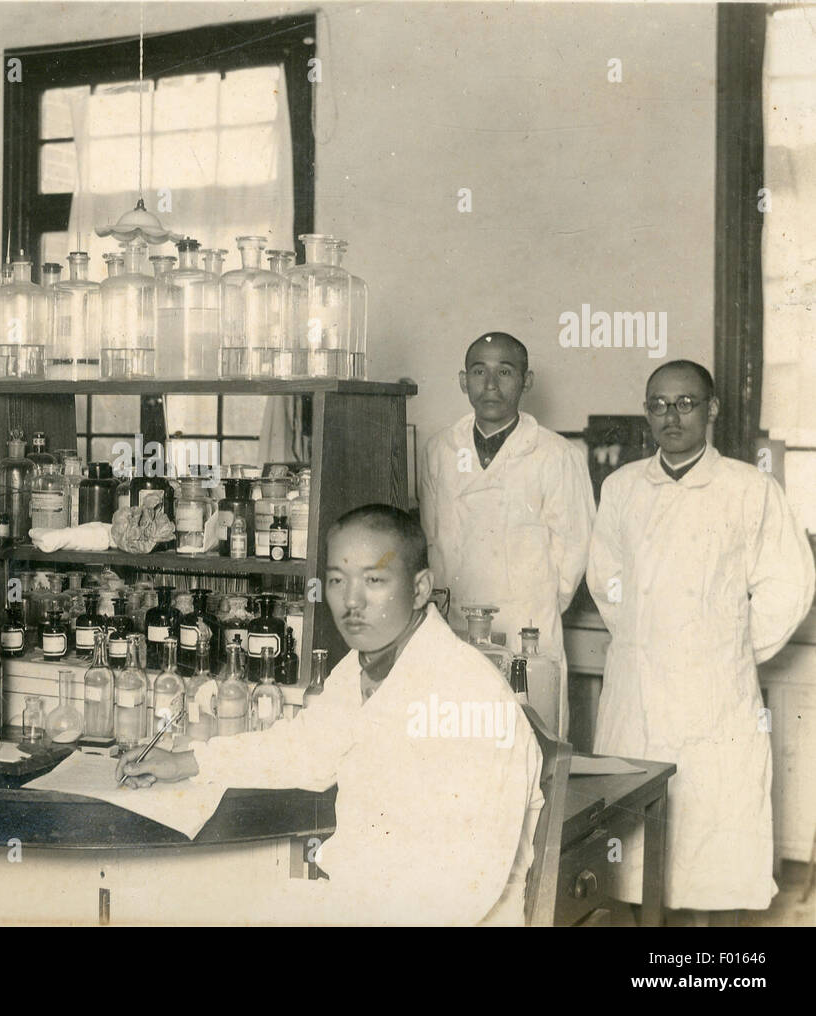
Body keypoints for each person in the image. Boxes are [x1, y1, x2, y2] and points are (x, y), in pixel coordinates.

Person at [119, 504, 543, 925]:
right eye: (338, 581)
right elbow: (306, 747)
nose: (351, 601)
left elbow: (464, 889)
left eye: (374, 580)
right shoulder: (368, 664)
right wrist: (186, 761)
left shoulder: (471, 698)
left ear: (419, 589)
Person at [587, 360, 814, 923]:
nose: (672, 415)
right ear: (647, 412)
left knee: (720, 831)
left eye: (686, 403)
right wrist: (650, 635)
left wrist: (727, 645)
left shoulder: (748, 487)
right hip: (636, 688)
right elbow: (606, 579)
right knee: (640, 839)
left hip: (718, 693)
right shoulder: (622, 488)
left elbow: (790, 583)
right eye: (659, 404)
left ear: (711, 410)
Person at [418, 332, 594, 735]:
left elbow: (573, 554)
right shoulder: (439, 451)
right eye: (479, 372)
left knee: (529, 746)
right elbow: (432, 538)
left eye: (505, 372)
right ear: (464, 381)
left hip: (525, 629)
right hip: (453, 627)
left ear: (526, 381)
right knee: (457, 744)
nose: (491, 385)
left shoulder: (556, 455)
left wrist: (532, 603)